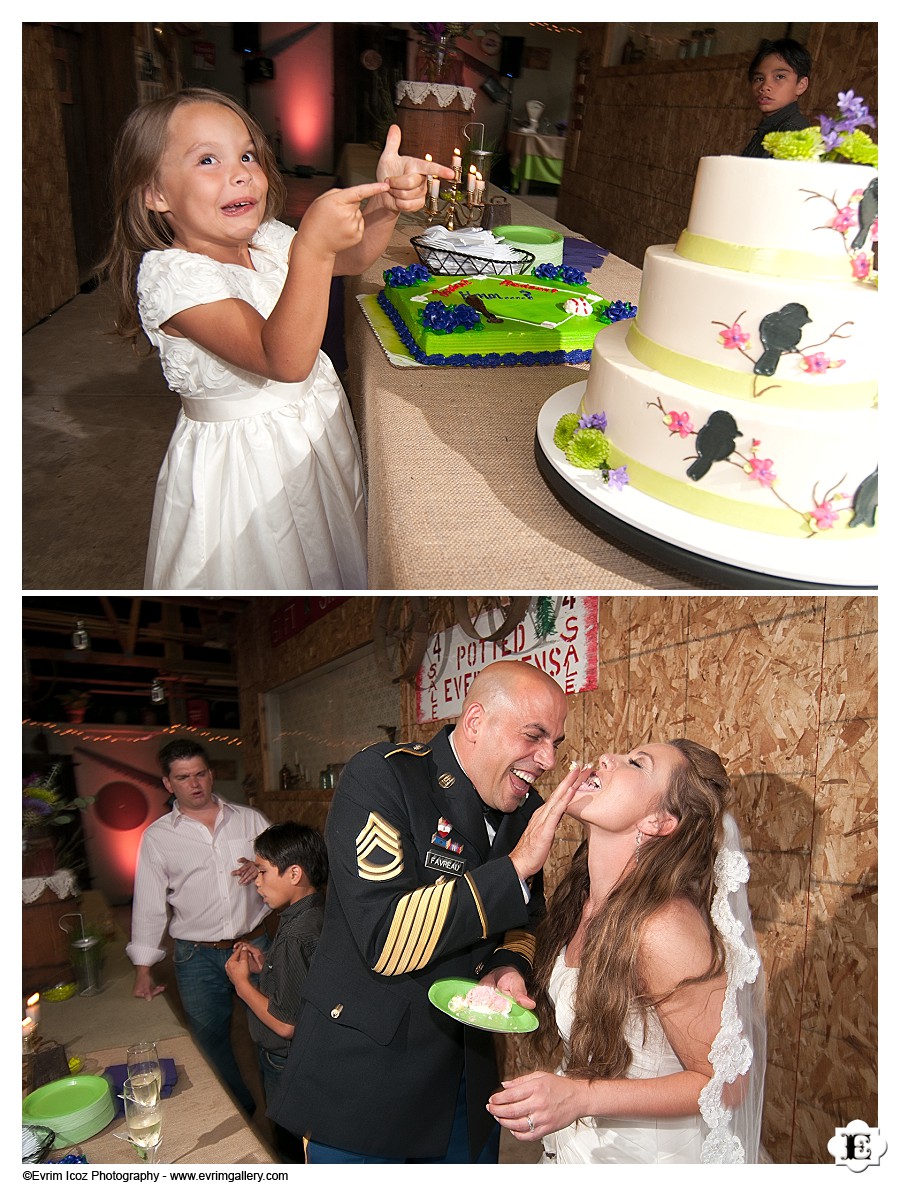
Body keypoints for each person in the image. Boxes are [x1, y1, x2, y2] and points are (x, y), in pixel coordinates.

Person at [100, 87, 454, 589]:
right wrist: (311, 247)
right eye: (207, 160)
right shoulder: (171, 277)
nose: (240, 172)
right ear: (155, 194)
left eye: (247, 154)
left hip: (312, 437)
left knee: (326, 546)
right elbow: (284, 359)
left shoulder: (263, 239)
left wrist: (388, 205)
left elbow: (349, 260)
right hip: (248, 470)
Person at [268, 659, 590, 1163]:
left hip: (468, 1077)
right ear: (477, 721)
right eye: (534, 736)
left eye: (556, 744)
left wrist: (508, 965)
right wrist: (514, 867)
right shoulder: (383, 775)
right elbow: (385, 938)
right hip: (369, 1085)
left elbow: (528, 918)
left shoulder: (526, 808)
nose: (547, 759)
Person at [487, 739, 767, 1163]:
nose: (606, 758)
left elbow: (727, 1083)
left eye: (637, 763)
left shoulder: (663, 928)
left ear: (659, 820)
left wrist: (580, 1097)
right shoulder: (580, 900)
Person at [126, 739, 271, 1116]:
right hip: (195, 956)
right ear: (168, 783)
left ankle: (284, 1113)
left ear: (211, 774)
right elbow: (149, 904)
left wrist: (263, 868)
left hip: (253, 945)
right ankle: (237, 1109)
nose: (195, 784)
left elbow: (286, 868)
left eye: (201, 774)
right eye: (183, 777)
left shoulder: (250, 820)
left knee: (272, 1031)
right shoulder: (159, 837)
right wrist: (143, 968)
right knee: (209, 1042)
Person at [225, 822, 327, 1161]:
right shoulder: (314, 912)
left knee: (289, 1145)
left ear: (294, 873)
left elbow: (286, 1023)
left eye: (263, 871)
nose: (256, 881)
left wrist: (242, 984)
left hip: (285, 1059)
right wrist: (267, 966)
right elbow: (303, 980)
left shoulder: (297, 933)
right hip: (310, 1054)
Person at [741, 38, 811, 157]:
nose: (764, 87)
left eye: (779, 76)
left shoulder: (794, 134)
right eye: (759, 79)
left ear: (801, 85)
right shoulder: (769, 128)